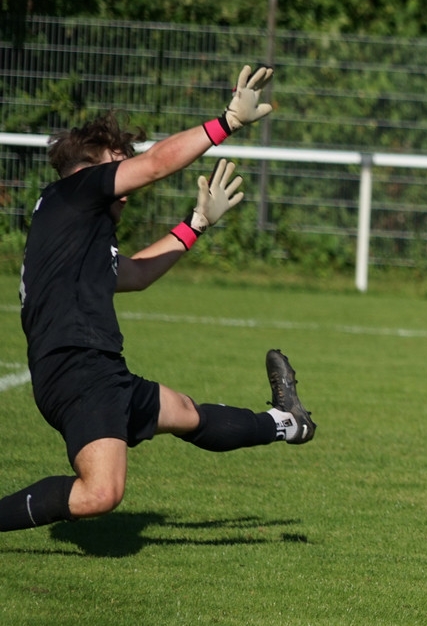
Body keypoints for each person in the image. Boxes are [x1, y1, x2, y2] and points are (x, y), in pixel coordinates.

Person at [1, 65, 318, 533]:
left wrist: (196, 225)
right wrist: (226, 122)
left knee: (186, 414)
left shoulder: (70, 228)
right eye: (117, 160)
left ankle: (287, 421)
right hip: (79, 367)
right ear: (92, 163)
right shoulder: (76, 190)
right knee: (100, 492)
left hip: (95, 366)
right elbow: (152, 167)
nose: (126, 193)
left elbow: (135, 274)